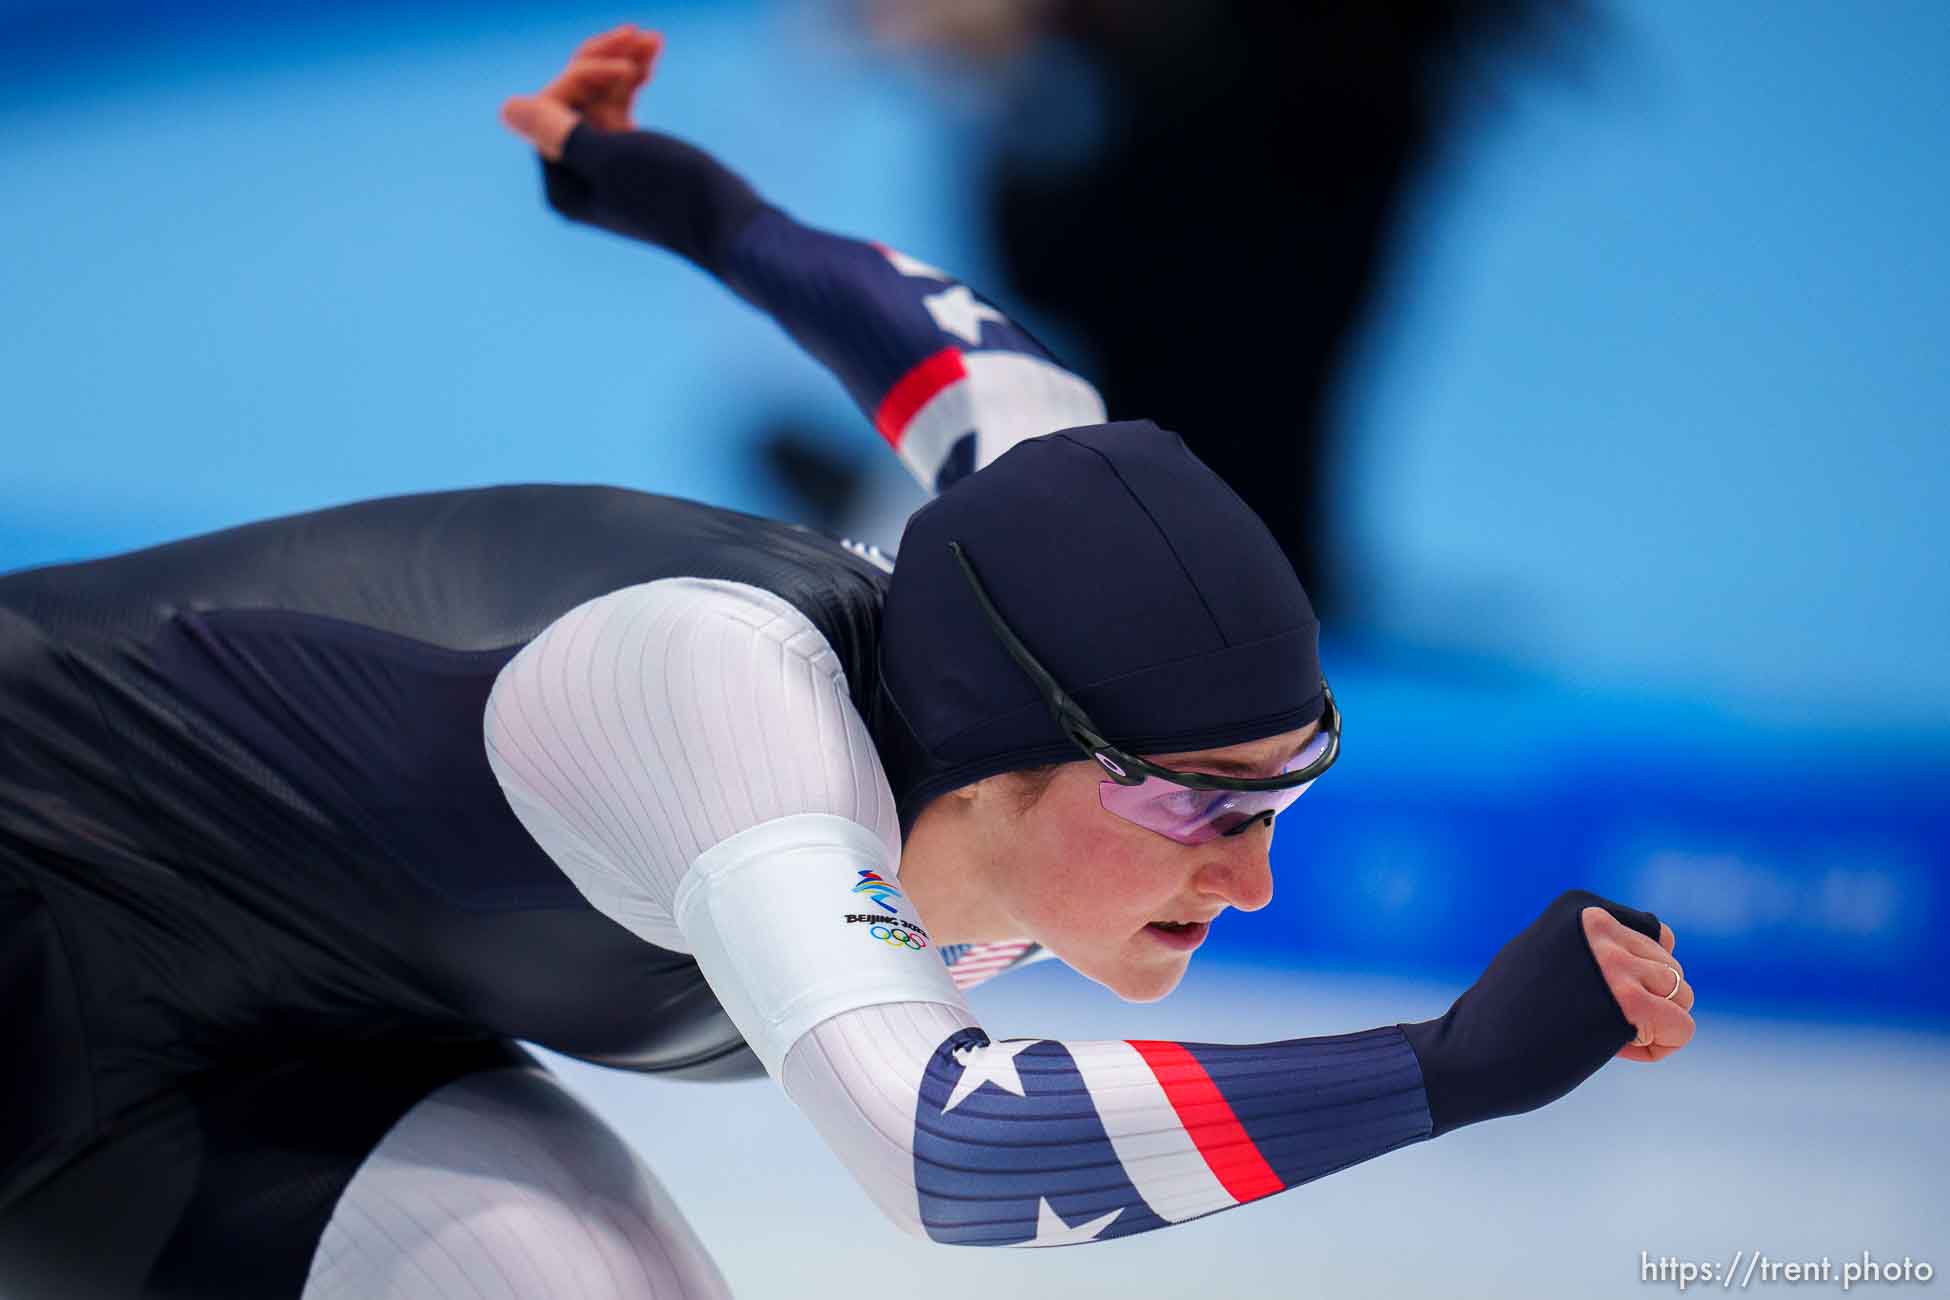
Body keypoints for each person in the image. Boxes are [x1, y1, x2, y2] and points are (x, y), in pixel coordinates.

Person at [0, 23, 1694, 1299]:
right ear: (1001, 748)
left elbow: (949, 351)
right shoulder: (709, 701)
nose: (1252, 886)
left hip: (292, 1031)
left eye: (1283, 797)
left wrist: (689, 202)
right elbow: (948, 1146)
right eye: (1197, 809)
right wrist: (1442, 1070)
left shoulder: (1036, 525)